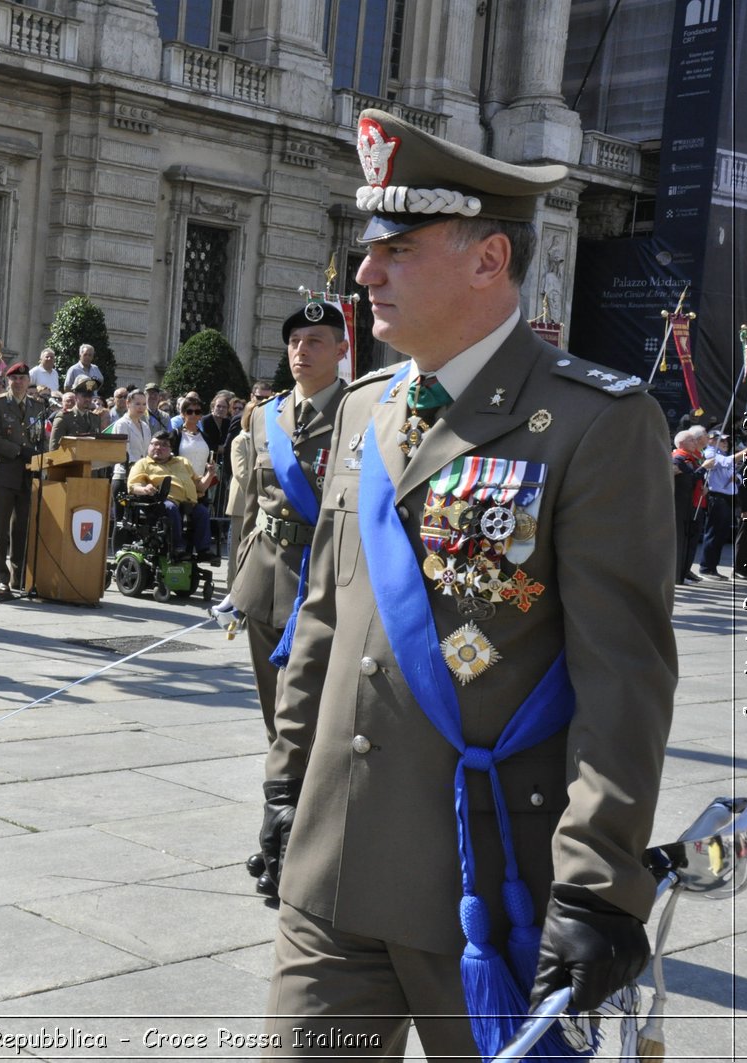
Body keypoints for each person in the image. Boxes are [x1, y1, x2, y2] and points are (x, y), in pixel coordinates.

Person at [259, 109, 675, 1059]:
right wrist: (287, 788)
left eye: (396, 249)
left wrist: (599, 883)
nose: (363, 274)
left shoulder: (594, 425)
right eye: (369, 250)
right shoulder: (365, 409)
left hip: (492, 886)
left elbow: (625, 679)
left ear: (490, 259)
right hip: (333, 870)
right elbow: (321, 618)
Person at [221, 299, 348, 893]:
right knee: (277, 720)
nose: (303, 351)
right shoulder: (263, 416)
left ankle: (302, 843)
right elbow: (248, 507)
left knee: (315, 722)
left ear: (343, 350)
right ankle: (278, 828)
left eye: (317, 340)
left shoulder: (361, 415)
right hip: (267, 581)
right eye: (296, 341)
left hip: (324, 586)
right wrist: (234, 582)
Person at [0, 361, 45, 596]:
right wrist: (19, 450)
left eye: (22, 378)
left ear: (28, 381)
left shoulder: (37, 407)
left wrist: (41, 458)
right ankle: (1, 577)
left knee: (22, 527)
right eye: (14, 379)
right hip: (3, 471)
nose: (18, 382)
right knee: (0, 528)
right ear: (8, 381)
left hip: (28, 473)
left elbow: (41, 439)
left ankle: (20, 577)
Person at [127, 430, 214, 560]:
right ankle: (177, 547)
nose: (158, 448)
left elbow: (200, 486)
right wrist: (145, 489)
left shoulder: (182, 462)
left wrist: (210, 474)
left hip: (188, 503)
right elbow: (133, 486)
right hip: (162, 502)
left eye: (163, 445)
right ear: (149, 446)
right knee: (170, 508)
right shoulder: (143, 464)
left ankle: (203, 550)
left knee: (202, 511)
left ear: (171, 449)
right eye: (155, 444)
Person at [671, 426, 707, 584]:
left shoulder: (692, 457)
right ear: (681, 443)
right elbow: (689, 477)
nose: (695, 442)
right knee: (681, 540)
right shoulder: (679, 458)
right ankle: (679, 574)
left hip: (691, 503)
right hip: (681, 503)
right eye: (691, 440)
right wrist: (705, 467)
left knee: (689, 540)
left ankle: (683, 572)